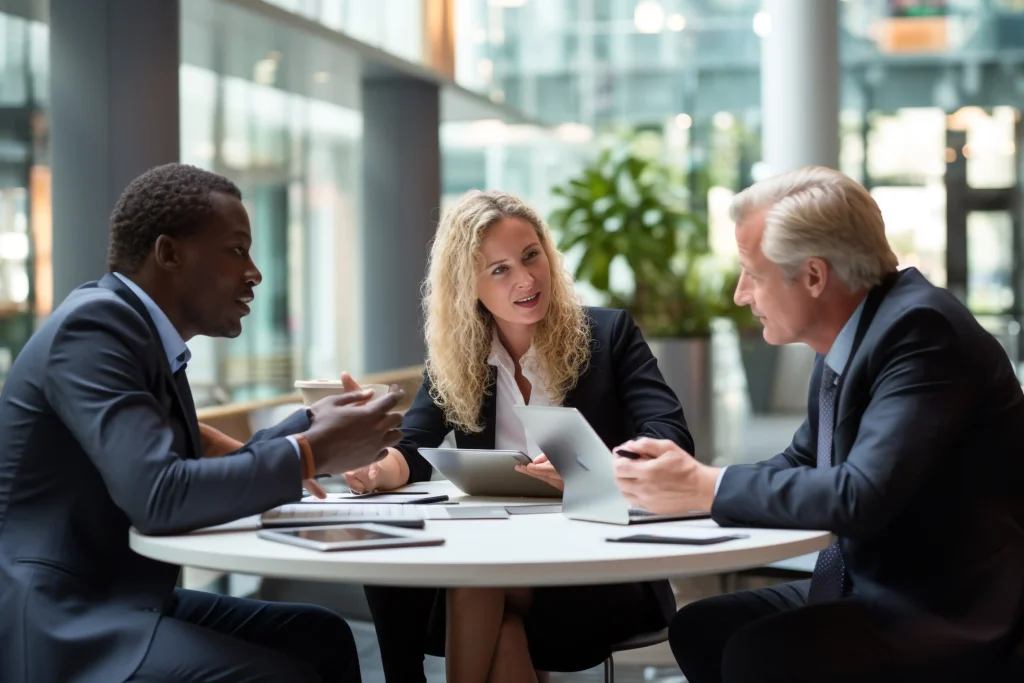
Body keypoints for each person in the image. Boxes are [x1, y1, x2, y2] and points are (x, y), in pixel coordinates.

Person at [613, 166, 1024, 683]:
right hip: (878, 582)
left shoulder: (923, 332)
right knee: (702, 627)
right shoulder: (854, 332)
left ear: (813, 276)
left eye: (753, 273)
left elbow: (860, 493)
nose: (741, 294)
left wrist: (703, 487)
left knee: (761, 653)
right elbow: (803, 461)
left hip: (951, 606)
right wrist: (662, 487)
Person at [0, 163, 406, 683]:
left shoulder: (142, 335)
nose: (255, 272)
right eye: (237, 250)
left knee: (319, 636)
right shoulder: (96, 328)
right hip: (62, 622)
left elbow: (185, 472)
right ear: (169, 253)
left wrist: (309, 426)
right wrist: (309, 451)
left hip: (118, 600)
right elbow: (161, 497)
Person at [343, 189, 692, 683]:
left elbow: (670, 435)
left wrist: (588, 469)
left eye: (531, 256)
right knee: (499, 622)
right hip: (503, 565)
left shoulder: (610, 336)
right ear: (469, 285)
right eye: (500, 269)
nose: (526, 279)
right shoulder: (458, 360)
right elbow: (415, 447)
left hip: (601, 564)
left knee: (479, 580)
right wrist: (377, 470)